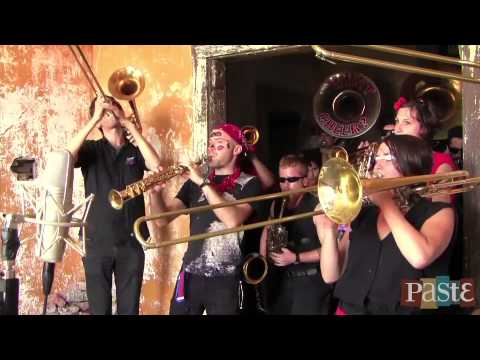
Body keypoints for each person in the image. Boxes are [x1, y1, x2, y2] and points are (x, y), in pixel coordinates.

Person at [315, 134, 456, 315]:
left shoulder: (438, 212)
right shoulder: (363, 214)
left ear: (411, 164)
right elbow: (330, 275)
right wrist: (328, 230)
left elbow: (420, 257)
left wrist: (385, 202)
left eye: (387, 158)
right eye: (377, 158)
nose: (377, 165)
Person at [150, 123, 263, 315]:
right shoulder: (193, 185)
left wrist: (202, 181)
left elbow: (232, 220)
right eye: (210, 145)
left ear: (236, 149)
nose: (212, 149)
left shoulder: (250, 184)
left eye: (219, 145)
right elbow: (162, 220)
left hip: (226, 276)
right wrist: (154, 194)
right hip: (190, 272)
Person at [66, 96, 161, 315]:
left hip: (132, 240)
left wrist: (128, 124)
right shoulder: (91, 149)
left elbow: (156, 167)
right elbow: (66, 156)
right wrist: (94, 119)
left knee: (129, 310)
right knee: (100, 310)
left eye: (113, 105)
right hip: (96, 241)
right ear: (98, 121)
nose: (110, 108)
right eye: (103, 109)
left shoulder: (135, 151)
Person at [259, 154, 332, 315]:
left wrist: (296, 258)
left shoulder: (318, 207)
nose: (285, 185)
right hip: (282, 281)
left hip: (310, 283)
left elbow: (331, 251)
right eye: (282, 180)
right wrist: (264, 261)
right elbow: (268, 230)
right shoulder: (277, 203)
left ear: (305, 181)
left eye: (291, 180)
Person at [393, 96, 456, 203]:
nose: (397, 129)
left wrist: (386, 204)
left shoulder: (442, 164)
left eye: (406, 122)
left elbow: (440, 217)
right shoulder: (392, 159)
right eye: (397, 121)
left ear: (424, 129)